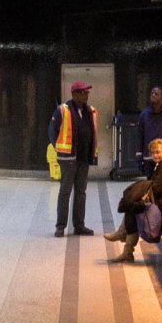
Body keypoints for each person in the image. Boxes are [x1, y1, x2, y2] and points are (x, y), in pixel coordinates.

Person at [107, 138, 162, 261]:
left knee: (134, 207)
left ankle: (124, 240)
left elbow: (156, 189)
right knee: (134, 206)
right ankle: (126, 246)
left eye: (158, 152)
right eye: (153, 153)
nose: (155, 155)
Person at [48, 81, 98, 237]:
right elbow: (52, 132)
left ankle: (79, 226)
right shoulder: (63, 110)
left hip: (84, 159)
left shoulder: (91, 111)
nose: (86, 95)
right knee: (65, 192)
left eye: (87, 93)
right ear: (75, 94)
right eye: (84, 92)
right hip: (68, 159)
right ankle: (60, 226)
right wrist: (60, 150)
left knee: (81, 193)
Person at [136, 86, 162, 176]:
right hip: (149, 157)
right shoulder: (144, 114)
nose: (153, 95)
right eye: (152, 93)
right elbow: (140, 136)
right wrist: (139, 156)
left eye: (156, 94)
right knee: (151, 182)